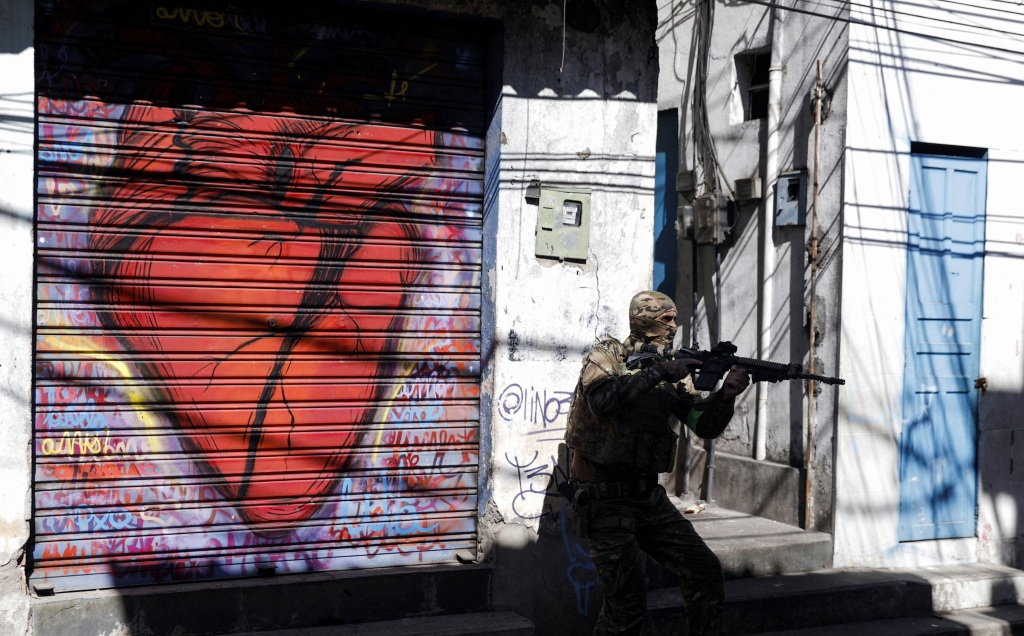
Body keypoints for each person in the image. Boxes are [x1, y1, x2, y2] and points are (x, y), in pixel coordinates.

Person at [564, 290, 751, 635]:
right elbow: (604, 401)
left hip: (647, 497)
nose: (673, 325)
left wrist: (726, 396)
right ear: (643, 318)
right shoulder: (607, 356)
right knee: (626, 608)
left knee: (704, 570)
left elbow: (703, 425)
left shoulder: (676, 372)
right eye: (666, 319)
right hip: (604, 500)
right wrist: (658, 372)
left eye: (675, 319)